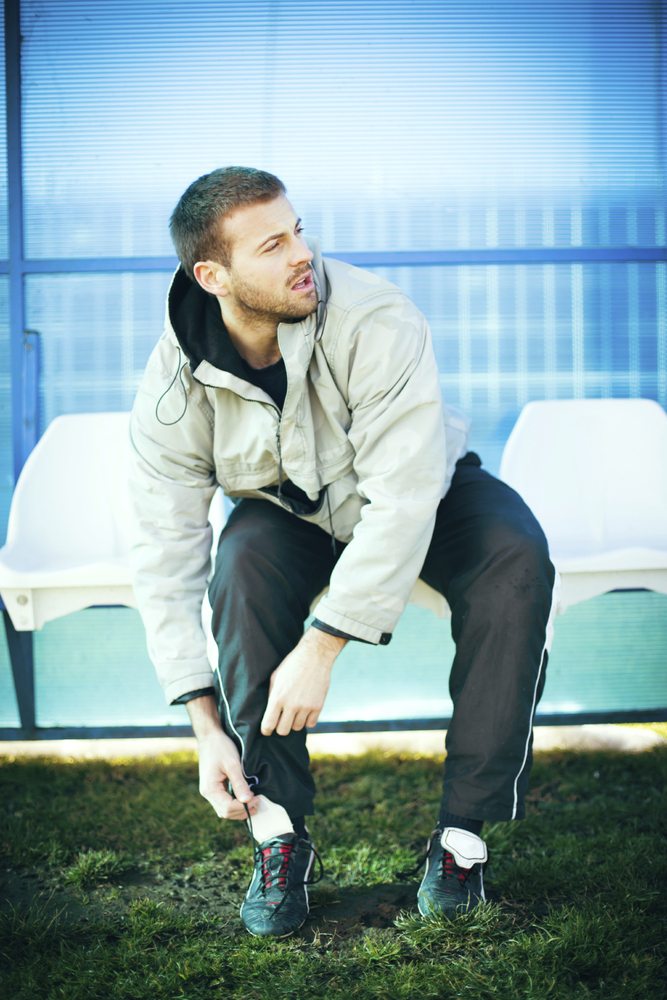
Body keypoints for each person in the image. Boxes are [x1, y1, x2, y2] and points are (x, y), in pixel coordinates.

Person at [128, 166, 557, 938]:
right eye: (272, 245)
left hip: (423, 488)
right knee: (242, 566)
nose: (303, 252)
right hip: (287, 509)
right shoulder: (173, 383)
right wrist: (202, 721)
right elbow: (164, 545)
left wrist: (323, 643)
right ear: (213, 276)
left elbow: (403, 497)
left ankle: (462, 836)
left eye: (297, 229)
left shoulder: (375, 317)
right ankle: (277, 830)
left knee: (514, 561)